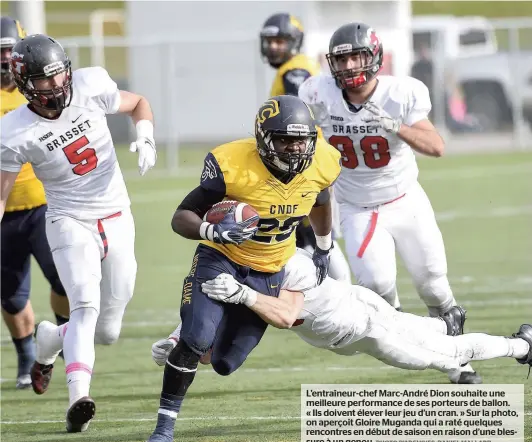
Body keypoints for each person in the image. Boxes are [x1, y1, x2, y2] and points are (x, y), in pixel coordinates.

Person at [138, 95, 341, 442]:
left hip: (269, 270)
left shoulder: (322, 161)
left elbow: (322, 201)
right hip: (222, 258)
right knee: (197, 340)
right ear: (263, 139)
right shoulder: (233, 164)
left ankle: (190, 332)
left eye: (301, 139)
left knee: (225, 363)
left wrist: (324, 245)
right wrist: (211, 232)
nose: (295, 148)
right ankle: (162, 430)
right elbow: (181, 216)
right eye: (284, 140)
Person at [298, 23, 480, 384]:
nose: (349, 66)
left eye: (356, 56)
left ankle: (460, 356)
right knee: (378, 290)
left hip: (404, 200)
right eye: (342, 58)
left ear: (374, 57)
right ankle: (433, 353)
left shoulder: (400, 93)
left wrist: (396, 126)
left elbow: (437, 146)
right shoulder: (317, 94)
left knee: (432, 285)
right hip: (357, 208)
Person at [0, 33, 157, 432]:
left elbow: (138, 103)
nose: (55, 86)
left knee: (107, 330)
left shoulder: (90, 84)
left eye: (58, 75)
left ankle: (50, 339)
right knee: (84, 305)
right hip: (68, 218)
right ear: (24, 82)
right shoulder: (13, 129)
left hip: (117, 214)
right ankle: (78, 398)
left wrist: (144, 135)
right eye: (43, 80)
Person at [153, 250, 532, 382]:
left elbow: (284, 314)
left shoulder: (289, 266)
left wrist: (244, 294)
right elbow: (209, 321)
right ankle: (441, 324)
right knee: (434, 338)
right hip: (348, 326)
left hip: (365, 326)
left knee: (443, 356)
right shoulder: (240, 271)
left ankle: (520, 346)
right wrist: (176, 343)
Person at [0, 16, 70, 390]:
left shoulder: (36, 89)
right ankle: (26, 355)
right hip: (3, 213)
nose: (4, 58)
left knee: (62, 278)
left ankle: (66, 342)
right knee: (10, 296)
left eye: (9, 50)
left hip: (45, 203)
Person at [260, 12, 350, 282]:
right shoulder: (293, 68)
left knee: (314, 232)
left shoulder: (294, 72)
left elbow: (294, 120)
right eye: (271, 41)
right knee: (307, 234)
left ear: (295, 41)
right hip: (305, 156)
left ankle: (344, 290)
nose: (275, 46)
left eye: (281, 40)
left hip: (303, 159)